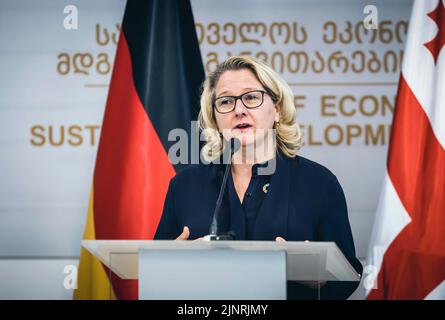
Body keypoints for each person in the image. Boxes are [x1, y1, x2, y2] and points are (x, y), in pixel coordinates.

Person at [154, 55, 362, 299]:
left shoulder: (319, 184)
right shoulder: (184, 187)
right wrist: (170, 267)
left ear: (277, 109)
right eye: (225, 102)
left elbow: (349, 275)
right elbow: (156, 273)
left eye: (251, 97)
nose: (239, 110)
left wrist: (320, 279)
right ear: (215, 118)